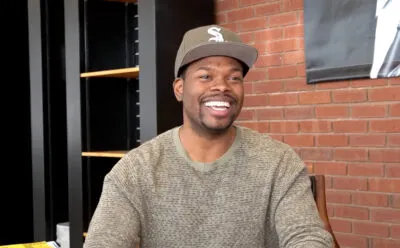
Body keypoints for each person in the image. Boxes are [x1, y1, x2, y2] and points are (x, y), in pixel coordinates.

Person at [83, 24, 333, 248]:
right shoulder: (135, 171)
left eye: (234, 77)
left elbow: (308, 236)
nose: (222, 86)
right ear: (179, 89)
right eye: (205, 76)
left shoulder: (278, 161)